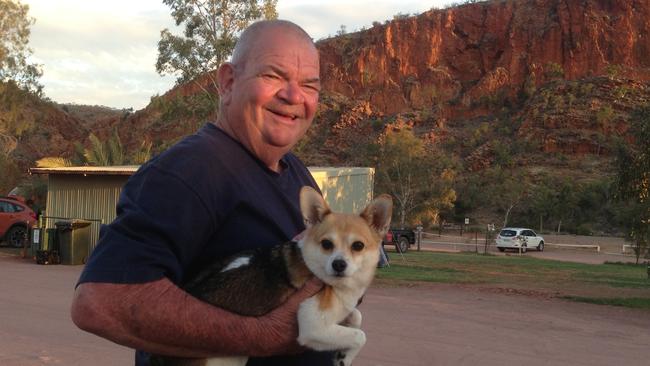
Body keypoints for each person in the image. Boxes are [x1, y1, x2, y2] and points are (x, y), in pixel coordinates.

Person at [70, 20, 335, 365]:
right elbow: (101, 301)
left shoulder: (294, 170)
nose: (293, 96)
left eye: (308, 85)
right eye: (273, 76)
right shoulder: (193, 169)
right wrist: (264, 335)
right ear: (228, 81)